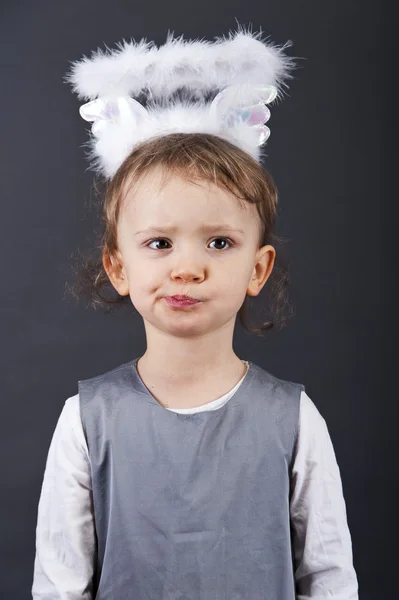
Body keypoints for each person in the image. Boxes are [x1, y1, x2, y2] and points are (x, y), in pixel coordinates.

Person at [32, 26, 359, 599]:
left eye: (218, 243)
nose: (187, 268)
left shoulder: (293, 419)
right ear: (119, 267)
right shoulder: (85, 421)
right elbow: (59, 586)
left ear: (258, 269)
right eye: (160, 243)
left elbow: (330, 579)